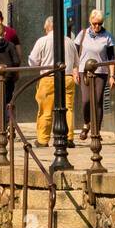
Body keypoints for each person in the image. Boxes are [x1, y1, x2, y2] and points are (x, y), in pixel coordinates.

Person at [28, 16, 77, 146]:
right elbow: (76, 62)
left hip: (48, 77)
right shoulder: (69, 42)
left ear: (48, 27)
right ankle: (69, 137)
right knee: (68, 109)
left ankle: (43, 140)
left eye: (45, 28)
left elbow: (32, 62)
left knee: (45, 110)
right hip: (67, 77)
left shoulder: (42, 41)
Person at [73, 10, 115, 142]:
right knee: (86, 100)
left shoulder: (107, 36)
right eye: (95, 23)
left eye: (100, 24)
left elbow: (111, 58)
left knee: (97, 101)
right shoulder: (83, 34)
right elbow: (75, 55)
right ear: (90, 22)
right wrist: (75, 70)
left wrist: (112, 76)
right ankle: (86, 124)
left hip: (101, 72)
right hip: (84, 71)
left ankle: (96, 131)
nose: (97, 26)